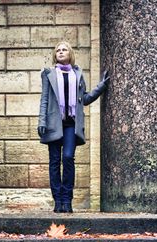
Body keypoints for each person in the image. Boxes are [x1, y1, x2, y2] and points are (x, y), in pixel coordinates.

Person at [38, 41, 109, 213]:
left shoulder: (77, 74)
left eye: (64, 50)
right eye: (58, 50)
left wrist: (101, 87)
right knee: (54, 161)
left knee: (68, 158)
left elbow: (84, 99)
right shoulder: (49, 74)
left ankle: (67, 200)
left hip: (71, 124)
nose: (61, 52)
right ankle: (58, 201)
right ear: (55, 55)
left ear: (70, 54)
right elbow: (45, 100)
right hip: (54, 123)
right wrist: (41, 121)